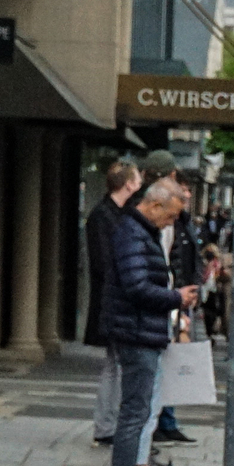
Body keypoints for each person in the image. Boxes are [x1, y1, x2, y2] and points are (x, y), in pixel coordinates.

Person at [104, 179, 199, 466]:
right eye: (171, 216)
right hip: (137, 333)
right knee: (134, 414)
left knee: (138, 412)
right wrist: (176, 297)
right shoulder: (133, 232)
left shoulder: (139, 231)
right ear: (156, 206)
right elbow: (136, 286)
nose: (171, 223)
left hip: (141, 331)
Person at [139, 150, 198, 447]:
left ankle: (164, 424)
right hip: (157, 307)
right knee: (145, 393)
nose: (168, 221)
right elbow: (147, 275)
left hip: (169, 299)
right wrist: (176, 297)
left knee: (162, 374)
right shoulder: (140, 225)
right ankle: (141, 456)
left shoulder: (171, 220)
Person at [85, 159, 141, 447]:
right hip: (114, 301)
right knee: (115, 365)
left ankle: (109, 425)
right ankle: (107, 426)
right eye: (137, 180)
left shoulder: (124, 214)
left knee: (116, 364)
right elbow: (103, 263)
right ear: (128, 184)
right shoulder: (102, 216)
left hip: (119, 299)